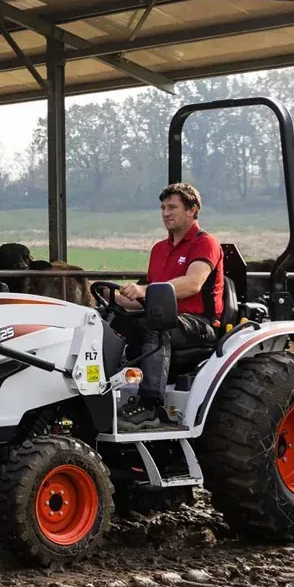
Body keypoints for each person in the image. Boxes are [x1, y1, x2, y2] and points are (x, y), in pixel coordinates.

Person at [114, 182, 224, 429]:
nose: (165, 213)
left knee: (157, 326)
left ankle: (150, 406)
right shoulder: (159, 249)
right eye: (163, 207)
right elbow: (146, 296)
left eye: (172, 207)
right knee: (112, 320)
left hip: (199, 323)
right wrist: (114, 300)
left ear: (192, 210)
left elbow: (194, 283)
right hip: (163, 316)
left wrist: (145, 290)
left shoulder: (205, 243)